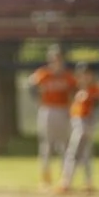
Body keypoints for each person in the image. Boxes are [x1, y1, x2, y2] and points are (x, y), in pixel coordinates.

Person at [27, 44, 77, 189]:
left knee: (65, 146)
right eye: (54, 58)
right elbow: (31, 85)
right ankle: (45, 178)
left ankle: (65, 179)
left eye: (58, 58)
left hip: (63, 110)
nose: (56, 61)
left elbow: (75, 90)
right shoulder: (43, 74)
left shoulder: (68, 76)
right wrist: (38, 100)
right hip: (48, 109)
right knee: (46, 145)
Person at [63, 61, 99, 196]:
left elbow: (98, 103)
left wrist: (92, 96)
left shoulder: (94, 89)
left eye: (87, 74)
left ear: (92, 75)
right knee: (86, 154)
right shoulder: (79, 90)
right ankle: (88, 182)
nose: (84, 77)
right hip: (77, 122)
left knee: (73, 153)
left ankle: (66, 182)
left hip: (85, 123)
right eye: (81, 74)